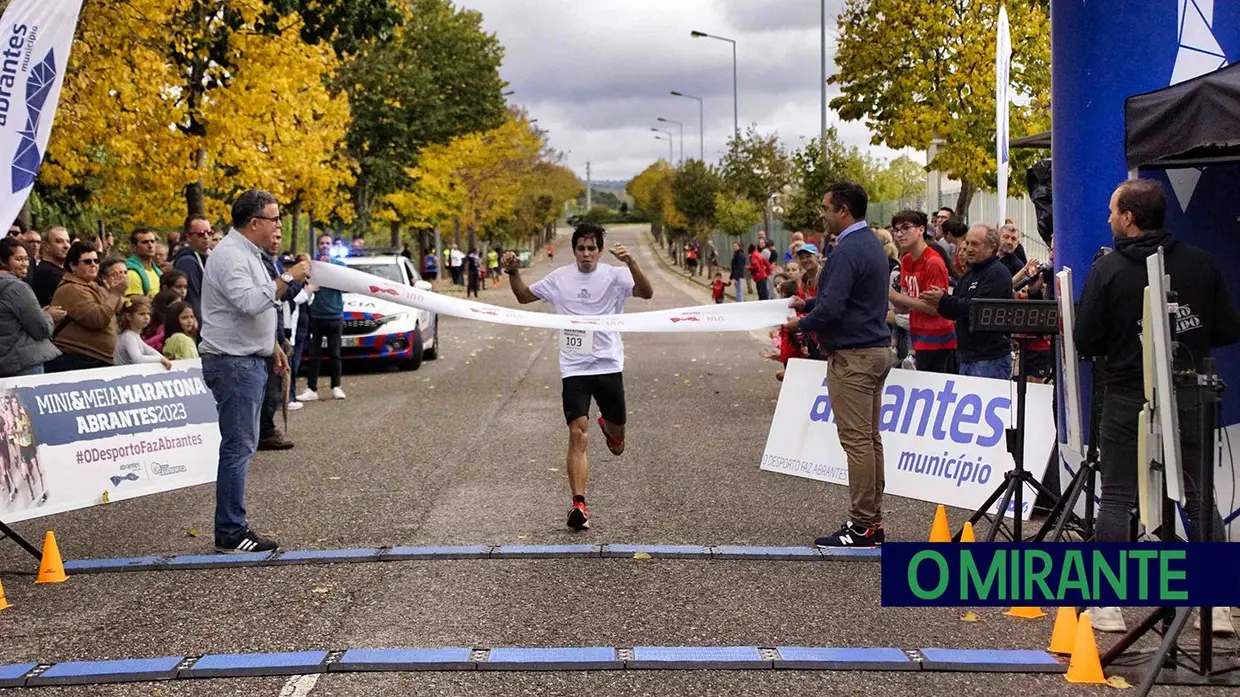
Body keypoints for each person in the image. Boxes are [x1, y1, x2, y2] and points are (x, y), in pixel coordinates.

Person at [1074, 178, 1239, 635]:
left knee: (1117, 495)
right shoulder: (1201, 263)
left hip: (1126, 394)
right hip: (1189, 394)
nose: (1109, 218)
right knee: (1199, 495)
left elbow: (1085, 338)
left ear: (1128, 217)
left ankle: (1106, 605)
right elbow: (1227, 328)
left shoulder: (1107, 271)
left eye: (1113, 211)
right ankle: (1218, 603)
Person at [500, 222, 654, 531]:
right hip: (575, 368)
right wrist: (513, 272)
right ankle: (579, 504)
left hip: (609, 365)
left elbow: (647, 293)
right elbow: (523, 297)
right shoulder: (560, 278)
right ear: (574, 251)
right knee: (576, 434)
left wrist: (631, 263)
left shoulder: (614, 275)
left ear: (599, 251)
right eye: (581, 248)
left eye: (592, 248)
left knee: (618, 444)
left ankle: (610, 431)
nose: (586, 254)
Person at [199, 188, 310, 554]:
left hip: (249, 357)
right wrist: (289, 278)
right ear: (255, 222)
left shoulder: (249, 254)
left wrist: (272, 345)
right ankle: (230, 530)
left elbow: (255, 308)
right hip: (233, 363)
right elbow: (249, 302)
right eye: (274, 218)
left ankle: (231, 526)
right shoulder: (230, 256)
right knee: (239, 446)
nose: (279, 224)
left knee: (242, 444)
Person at [784, 181, 892, 548]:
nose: (823, 214)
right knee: (870, 440)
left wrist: (802, 322)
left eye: (826, 208)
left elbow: (834, 308)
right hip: (875, 350)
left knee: (858, 443)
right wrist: (807, 305)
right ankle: (871, 520)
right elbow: (845, 300)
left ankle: (863, 524)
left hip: (854, 357)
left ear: (843, 210)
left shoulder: (847, 251)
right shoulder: (871, 245)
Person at [920, 224, 1014, 380]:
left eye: (975, 244)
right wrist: (939, 302)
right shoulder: (970, 274)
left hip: (988, 358)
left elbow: (979, 309)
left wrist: (944, 300)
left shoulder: (997, 273)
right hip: (967, 356)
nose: (969, 249)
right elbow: (956, 307)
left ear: (991, 248)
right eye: (968, 243)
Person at [887, 210, 957, 374]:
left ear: (921, 229)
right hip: (917, 334)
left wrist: (896, 296)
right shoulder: (906, 260)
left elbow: (936, 308)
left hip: (937, 338)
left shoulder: (933, 262)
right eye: (896, 230)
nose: (900, 234)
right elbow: (907, 303)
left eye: (906, 228)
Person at [47, 243, 126, 372]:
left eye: (96, 260)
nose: (94, 264)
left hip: (91, 359)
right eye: (87, 261)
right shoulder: (71, 289)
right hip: (77, 359)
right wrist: (115, 293)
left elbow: (112, 311)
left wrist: (115, 294)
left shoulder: (90, 285)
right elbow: (97, 320)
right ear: (73, 266)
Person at [0, 238, 62, 377]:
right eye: (19, 259)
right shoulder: (17, 288)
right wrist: (48, 316)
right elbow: (41, 329)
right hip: (24, 365)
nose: (25, 264)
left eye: (26, 259)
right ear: (3, 261)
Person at [298, 234, 346, 402]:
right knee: (314, 354)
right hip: (316, 315)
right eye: (322, 243)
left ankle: (336, 386)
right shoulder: (311, 266)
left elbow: (346, 285)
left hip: (335, 314)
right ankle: (311, 388)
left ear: (331, 246)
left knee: (335, 353)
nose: (325, 246)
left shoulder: (339, 265)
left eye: (327, 243)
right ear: (318, 246)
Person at [114, 295, 173, 369]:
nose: (146, 317)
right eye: (142, 314)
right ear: (129, 316)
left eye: (148, 313)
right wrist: (160, 359)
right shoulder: (128, 337)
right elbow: (139, 359)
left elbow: (149, 350)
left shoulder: (134, 335)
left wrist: (164, 358)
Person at [174, 214, 212, 320]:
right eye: (200, 234)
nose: (206, 237)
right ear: (188, 237)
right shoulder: (187, 262)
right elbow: (193, 299)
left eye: (209, 233)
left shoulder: (208, 257)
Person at [125, 228, 163, 297]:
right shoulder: (132, 273)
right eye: (145, 242)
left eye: (152, 241)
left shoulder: (158, 272)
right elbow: (136, 305)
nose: (150, 246)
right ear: (134, 247)